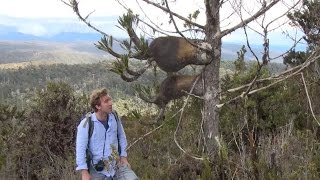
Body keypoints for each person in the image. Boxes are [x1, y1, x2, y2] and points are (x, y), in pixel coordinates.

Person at [76, 88, 129, 180]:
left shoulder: (114, 117)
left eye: (110, 99)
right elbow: (81, 148)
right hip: (97, 171)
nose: (110, 103)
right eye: (106, 101)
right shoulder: (86, 124)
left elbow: (121, 136)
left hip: (116, 167)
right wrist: (84, 172)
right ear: (98, 106)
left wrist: (123, 157)